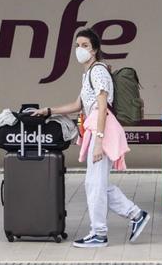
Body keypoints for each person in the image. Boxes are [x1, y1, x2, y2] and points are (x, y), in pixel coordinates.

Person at [28, 28, 150, 248]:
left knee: (94, 184)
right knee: (98, 184)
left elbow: (102, 107)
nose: (79, 50)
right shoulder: (89, 74)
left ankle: (99, 233)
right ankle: (136, 215)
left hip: (102, 130)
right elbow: (78, 106)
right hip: (96, 130)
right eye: (77, 45)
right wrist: (48, 111)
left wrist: (99, 142)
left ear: (94, 49)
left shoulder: (98, 72)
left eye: (84, 45)